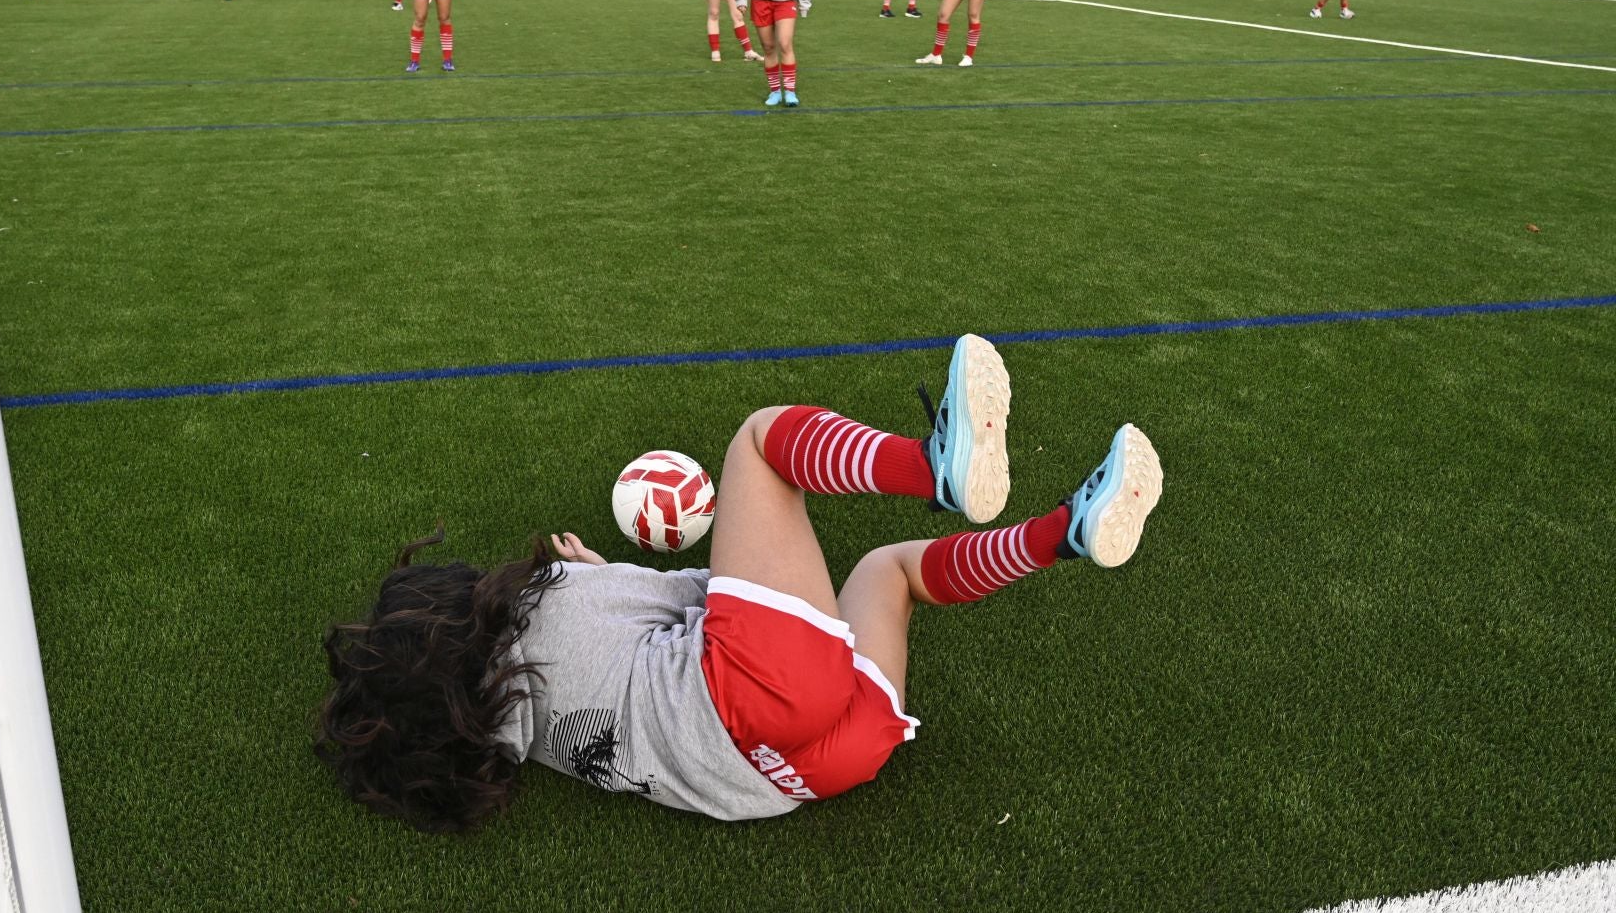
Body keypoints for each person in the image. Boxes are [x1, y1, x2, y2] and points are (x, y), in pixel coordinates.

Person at [313, 335, 1163, 832]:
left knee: (888, 573)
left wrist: (609, 592)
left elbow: (620, 660)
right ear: (455, 610)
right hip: (753, 692)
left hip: (796, 776)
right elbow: (693, 602)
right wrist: (594, 579)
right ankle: (933, 466)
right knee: (759, 443)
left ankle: (1069, 531)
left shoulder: (516, 735)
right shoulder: (543, 606)